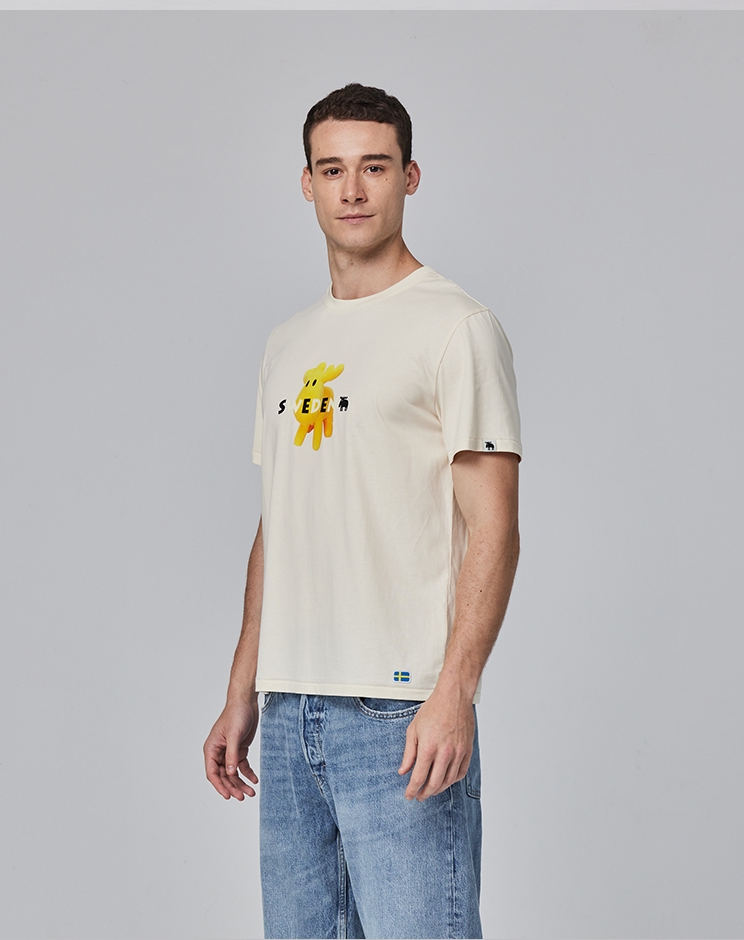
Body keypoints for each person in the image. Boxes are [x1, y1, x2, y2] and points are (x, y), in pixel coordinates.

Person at [203, 82, 522, 940]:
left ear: (409, 177)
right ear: (306, 182)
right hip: (290, 707)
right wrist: (243, 689)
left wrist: (456, 690)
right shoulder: (286, 343)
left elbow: (495, 527)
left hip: (399, 710)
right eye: (333, 169)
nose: (352, 189)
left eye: (374, 167)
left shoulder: (456, 327)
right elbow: (280, 523)